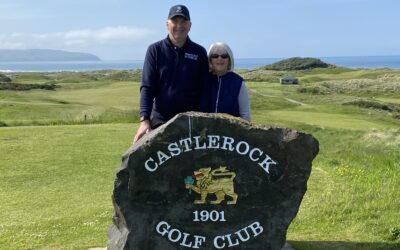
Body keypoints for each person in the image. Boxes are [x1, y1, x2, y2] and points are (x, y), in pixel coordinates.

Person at [133, 4, 209, 142]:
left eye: (183, 21)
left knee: (188, 164)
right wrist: (144, 120)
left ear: (190, 25)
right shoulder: (155, 50)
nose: (179, 25)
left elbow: (204, 90)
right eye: (175, 21)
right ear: (167, 24)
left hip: (190, 125)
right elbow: (147, 87)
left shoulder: (199, 52)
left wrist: (200, 120)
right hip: (160, 123)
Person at [203, 42, 251, 121]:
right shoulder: (203, 79)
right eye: (215, 56)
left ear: (229, 59)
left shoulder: (238, 82)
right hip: (205, 130)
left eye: (224, 56)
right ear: (210, 60)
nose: (220, 59)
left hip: (230, 131)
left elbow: (245, 116)